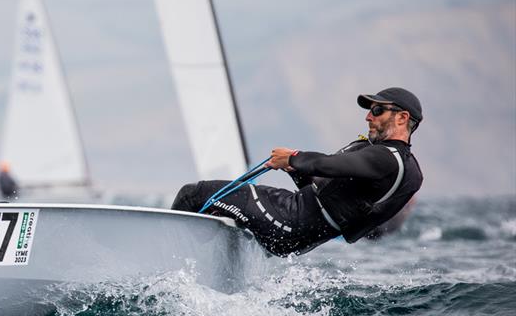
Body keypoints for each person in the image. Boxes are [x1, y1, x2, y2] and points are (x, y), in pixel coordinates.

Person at [171, 87, 424, 257]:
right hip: (299, 237)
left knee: (194, 194)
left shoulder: (386, 158)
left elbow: (329, 165)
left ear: (402, 118)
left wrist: (294, 157)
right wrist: (295, 169)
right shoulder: (408, 169)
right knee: (220, 208)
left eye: (378, 110)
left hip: (290, 218)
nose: (369, 117)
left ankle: (163, 262)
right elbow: (337, 204)